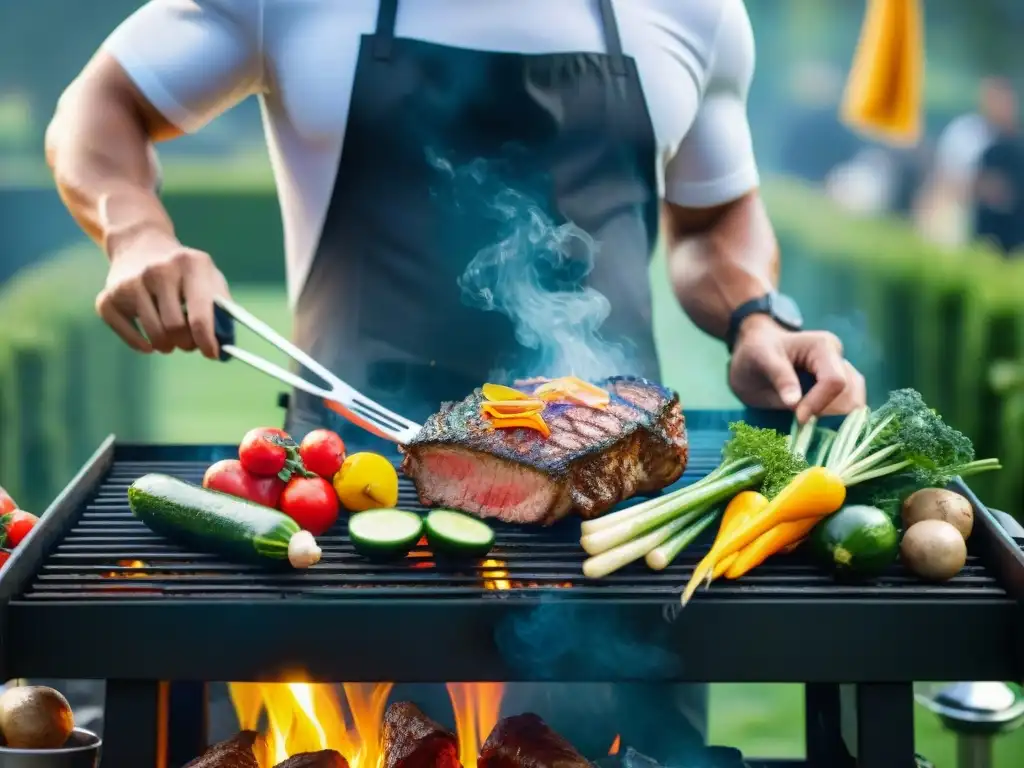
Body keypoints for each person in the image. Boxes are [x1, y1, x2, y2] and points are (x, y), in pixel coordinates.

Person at [45, 0, 866, 761]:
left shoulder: (695, 10)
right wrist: (137, 231)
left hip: (612, 531)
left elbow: (716, 219)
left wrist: (757, 315)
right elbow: (99, 107)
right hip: (357, 518)